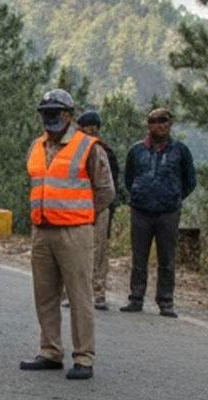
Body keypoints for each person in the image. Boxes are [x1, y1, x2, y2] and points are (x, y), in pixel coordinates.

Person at [21, 88, 115, 380]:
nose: (49, 118)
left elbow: (106, 192)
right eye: (45, 112)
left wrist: (84, 217)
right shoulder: (37, 146)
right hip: (42, 231)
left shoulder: (89, 147)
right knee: (45, 295)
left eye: (55, 112)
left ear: (68, 115)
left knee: (79, 296)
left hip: (74, 232)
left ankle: (84, 357)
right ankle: (50, 351)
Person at [122, 107, 195, 317]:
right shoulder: (136, 150)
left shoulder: (180, 150)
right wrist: (138, 194)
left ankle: (165, 301)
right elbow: (129, 179)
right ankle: (136, 298)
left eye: (163, 121)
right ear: (148, 125)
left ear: (170, 124)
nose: (159, 125)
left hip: (168, 212)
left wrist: (174, 197)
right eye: (154, 121)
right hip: (141, 211)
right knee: (139, 257)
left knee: (167, 258)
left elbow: (190, 181)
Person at [77, 109, 123, 310]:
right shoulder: (75, 151)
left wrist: (97, 210)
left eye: (92, 128)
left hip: (99, 207)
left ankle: (98, 293)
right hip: (77, 208)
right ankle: (77, 293)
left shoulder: (104, 151)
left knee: (98, 252)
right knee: (77, 252)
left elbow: (111, 187)